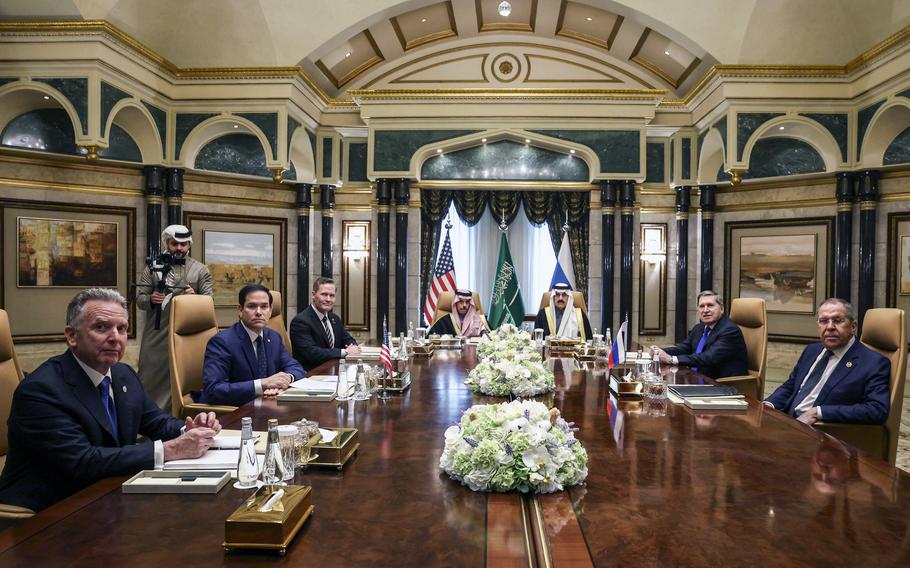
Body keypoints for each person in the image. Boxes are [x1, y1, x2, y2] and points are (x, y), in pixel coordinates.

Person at [0, 289, 220, 513]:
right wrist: (170, 449)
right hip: (49, 512)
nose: (115, 337)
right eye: (101, 327)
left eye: (122, 328)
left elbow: (155, 421)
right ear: (71, 336)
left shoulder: (123, 374)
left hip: (106, 493)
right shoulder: (42, 390)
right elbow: (83, 461)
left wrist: (188, 428)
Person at [765, 298, 890, 426]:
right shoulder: (812, 350)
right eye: (824, 321)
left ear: (853, 326)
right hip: (787, 421)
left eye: (837, 320)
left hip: (821, 432)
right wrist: (767, 405)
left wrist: (818, 412)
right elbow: (791, 386)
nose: (830, 327)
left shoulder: (873, 363)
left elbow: (876, 410)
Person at [136, 224, 213, 411]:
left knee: (184, 378)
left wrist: (195, 298)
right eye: (174, 244)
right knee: (150, 376)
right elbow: (139, 299)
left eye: (183, 244)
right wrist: (152, 299)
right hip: (157, 333)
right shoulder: (151, 268)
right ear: (167, 243)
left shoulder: (201, 270)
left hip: (189, 335)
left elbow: (208, 303)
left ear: (189, 245)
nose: (179, 248)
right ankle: (149, 423)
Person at [196, 284, 304, 407]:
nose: (258, 312)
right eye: (252, 306)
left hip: (268, 405)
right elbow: (214, 390)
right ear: (240, 310)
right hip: (236, 412)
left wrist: (285, 380)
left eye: (264, 306)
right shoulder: (222, 342)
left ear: (270, 310)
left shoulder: (273, 337)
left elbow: (296, 367)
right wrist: (263, 384)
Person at [650, 290, 748, 380]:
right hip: (699, 379)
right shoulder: (699, 328)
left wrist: (670, 359)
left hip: (721, 384)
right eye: (702, 306)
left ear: (721, 309)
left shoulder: (730, 330)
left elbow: (709, 357)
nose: (705, 310)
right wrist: (660, 352)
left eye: (710, 305)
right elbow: (683, 348)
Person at [290, 277, 361, 371]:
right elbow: (312, 353)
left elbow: (348, 339)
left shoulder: (334, 318)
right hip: (312, 375)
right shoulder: (301, 321)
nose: (328, 299)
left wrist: (354, 347)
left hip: (335, 371)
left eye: (332, 295)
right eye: (324, 294)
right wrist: (345, 352)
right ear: (313, 295)